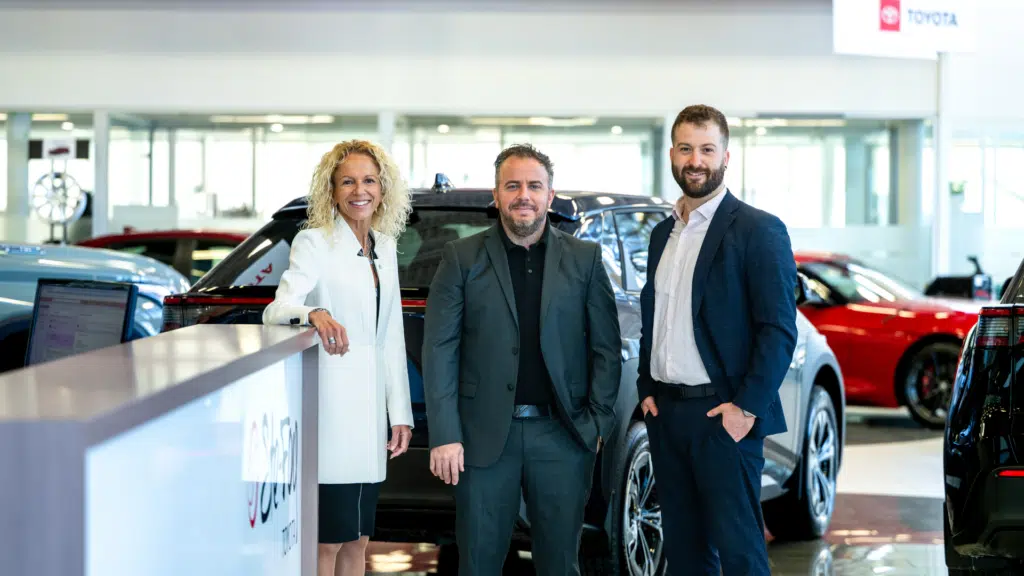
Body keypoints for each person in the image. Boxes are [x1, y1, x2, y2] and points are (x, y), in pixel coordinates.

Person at [421, 143, 621, 576]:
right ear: (496, 195)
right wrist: (445, 434)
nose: (523, 195)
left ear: (550, 195)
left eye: (534, 186)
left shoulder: (585, 260)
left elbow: (607, 348)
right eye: (512, 186)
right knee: (478, 564)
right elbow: (439, 351)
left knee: (560, 565)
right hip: (481, 439)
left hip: (563, 436)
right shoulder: (461, 258)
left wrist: (597, 424)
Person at [636, 105, 797, 575]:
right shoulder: (663, 234)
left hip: (723, 416)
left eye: (707, 149)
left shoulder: (758, 230)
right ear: (672, 154)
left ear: (726, 157)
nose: (696, 160)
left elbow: (778, 330)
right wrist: (646, 386)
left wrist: (745, 408)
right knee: (685, 555)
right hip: (667, 416)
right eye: (686, 149)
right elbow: (656, 316)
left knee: (740, 553)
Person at [262, 139, 415, 576]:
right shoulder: (314, 242)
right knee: (326, 540)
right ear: (331, 190)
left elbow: (391, 337)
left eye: (369, 180)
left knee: (360, 539)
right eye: (347, 181)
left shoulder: (385, 247)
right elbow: (277, 309)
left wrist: (400, 414)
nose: (359, 190)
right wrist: (313, 312)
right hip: (331, 416)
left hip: (370, 420)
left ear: (383, 189)